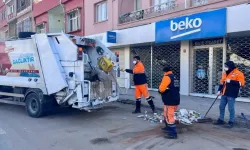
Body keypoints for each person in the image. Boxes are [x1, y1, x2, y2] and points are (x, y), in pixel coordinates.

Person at [214, 61, 245, 128]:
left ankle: (231, 121)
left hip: (232, 93)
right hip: (224, 93)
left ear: (230, 66)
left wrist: (230, 81)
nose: (225, 68)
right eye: (225, 66)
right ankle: (221, 119)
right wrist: (219, 91)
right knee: (221, 106)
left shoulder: (238, 73)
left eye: (226, 66)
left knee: (231, 108)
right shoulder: (224, 73)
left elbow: (241, 83)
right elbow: (222, 82)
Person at [158, 66, 180, 139]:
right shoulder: (174, 77)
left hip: (169, 100)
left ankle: (172, 133)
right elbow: (176, 88)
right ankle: (168, 128)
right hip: (175, 99)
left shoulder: (166, 77)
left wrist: (160, 91)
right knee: (166, 114)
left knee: (169, 116)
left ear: (164, 71)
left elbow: (161, 89)